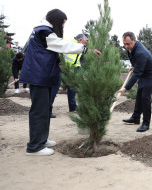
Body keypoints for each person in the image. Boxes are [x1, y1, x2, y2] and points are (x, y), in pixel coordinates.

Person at [20, 9, 100, 156]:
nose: (63, 27)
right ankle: (34, 146)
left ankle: (41, 140)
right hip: (39, 77)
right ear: (56, 21)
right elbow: (62, 46)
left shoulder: (42, 30)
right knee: (39, 110)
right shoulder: (44, 32)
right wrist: (85, 49)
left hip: (43, 76)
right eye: (63, 24)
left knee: (45, 109)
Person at [118, 32, 152, 132]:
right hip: (143, 73)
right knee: (139, 95)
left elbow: (136, 75)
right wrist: (135, 65)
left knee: (145, 97)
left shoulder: (141, 52)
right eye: (124, 44)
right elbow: (134, 60)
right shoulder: (130, 48)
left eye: (128, 44)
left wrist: (125, 88)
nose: (126, 46)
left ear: (134, 41)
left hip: (151, 75)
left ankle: (146, 123)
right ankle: (135, 118)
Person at [49, 33, 88, 117]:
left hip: (71, 69)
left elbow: (76, 61)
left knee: (72, 86)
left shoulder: (80, 47)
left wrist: (80, 70)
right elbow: (57, 50)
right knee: (55, 87)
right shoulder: (68, 41)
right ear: (80, 40)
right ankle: (47, 110)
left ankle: (72, 107)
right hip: (61, 67)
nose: (86, 44)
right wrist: (59, 61)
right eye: (86, 41)